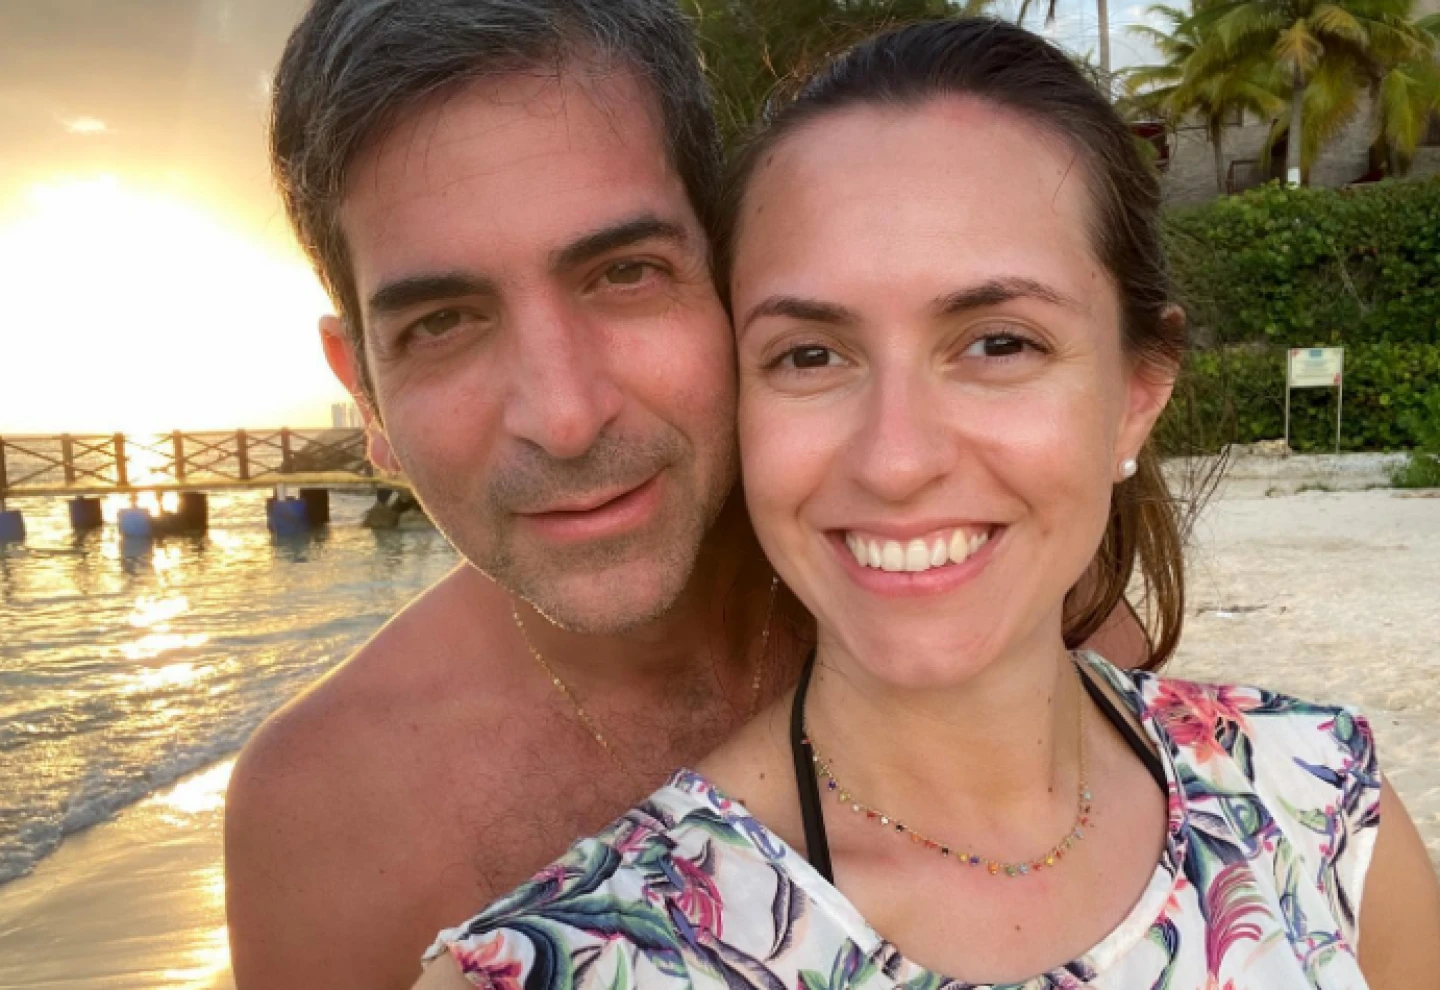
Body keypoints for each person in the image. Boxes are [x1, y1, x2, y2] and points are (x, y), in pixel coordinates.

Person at [416, 18, 1440, 990]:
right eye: (809, 356)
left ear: (1137, 393)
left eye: (999, 343)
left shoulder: (1322, 806)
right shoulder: (587, 961)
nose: (897, 460)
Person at [226, 3, 1146, 986]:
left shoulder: (999, 594)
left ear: (734, 273)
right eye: (443, 323)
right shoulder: (326, 814)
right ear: (363, 388)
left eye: (625, 273)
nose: (564, 417)